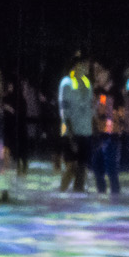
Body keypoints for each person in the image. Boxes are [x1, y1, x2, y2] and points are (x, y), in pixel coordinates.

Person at [57, 59, 94, 192]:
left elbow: (90, 108)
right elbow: (64, 111)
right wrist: (70, 134)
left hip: (86, 131)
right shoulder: (66, 83)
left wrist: (94, 129)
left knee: (82, 167)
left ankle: (78, 195)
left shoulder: (87, 83)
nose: (85, 67)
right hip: (70, 132)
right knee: (71, 166)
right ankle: (61, 194)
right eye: (82, 65)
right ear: (75, 66)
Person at [90, 65, 123, 195]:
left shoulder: (115, 92)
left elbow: (113, 115)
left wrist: (108, 134)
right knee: (98, 168)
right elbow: (98, 111)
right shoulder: (100, 92)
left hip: (110, 136)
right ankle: (102, 195)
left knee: (111, 169)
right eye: (96, 73)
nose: (97, 76)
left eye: (100, 72)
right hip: (100, 135)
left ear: (107, 73)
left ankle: (115, 197)